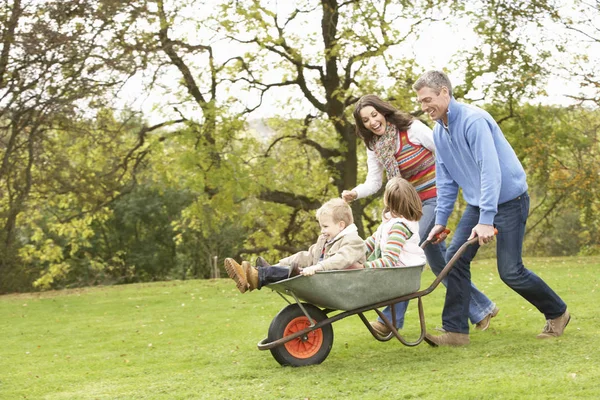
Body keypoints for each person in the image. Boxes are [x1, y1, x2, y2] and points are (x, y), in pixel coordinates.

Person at [413, 70, 570, 346]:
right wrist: (440, 219)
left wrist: (486, 219)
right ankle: (456, 332)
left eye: (428, 100)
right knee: (455, 261)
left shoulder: (474, 121)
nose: (425, 107)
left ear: (445, 93)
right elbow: (446, 180)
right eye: (421, 102)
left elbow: (490, 171)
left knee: (510, 271)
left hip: (509, 200)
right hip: (479, 202)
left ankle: (558, 312)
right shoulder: (439, 132)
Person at [342, 94, 498, 336]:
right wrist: (355, 192)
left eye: (374, 115)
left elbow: (444, 150)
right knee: (438, 264)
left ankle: (390, 319)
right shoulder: (375, 145)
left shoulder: (412, 129)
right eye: (365, 120)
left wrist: (467, 177)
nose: (372, 122)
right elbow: (374, 182)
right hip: (408, 207)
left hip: (435, 199)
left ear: (383, 112)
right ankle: (481, 308)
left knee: (406, 248)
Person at [223, 198, 366, 293]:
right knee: (293, 268)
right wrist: (280, 263)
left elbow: (341, 259)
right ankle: (256, 275)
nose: (322, 230)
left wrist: (317, 267)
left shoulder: (354, 241)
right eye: (321, 226)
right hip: (323, 281)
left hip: (339, 286)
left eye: (325, 226)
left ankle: (257, 275)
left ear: (341, 225)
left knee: (296, 272)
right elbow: (307, 256)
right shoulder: (326, 239)